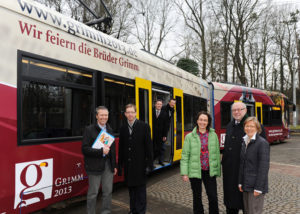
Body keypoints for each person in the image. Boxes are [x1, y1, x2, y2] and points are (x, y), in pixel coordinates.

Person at [222, 102, 266, 214]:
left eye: (240, 109)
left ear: (245, 110)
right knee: (230, 204)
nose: (237, 112)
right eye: (234, 110)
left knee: (248, 206)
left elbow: (262, 156)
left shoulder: (255, 126)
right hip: (230, 173)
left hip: (246, 174)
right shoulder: (229, 126)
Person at [180, 111, 221, 214]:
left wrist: (217, 169)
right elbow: (185, 155)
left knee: (213, 196)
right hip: (195, 170)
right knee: (197, 197)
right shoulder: (189, 137)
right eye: (201, 119)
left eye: (205, 120)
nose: (203, 122)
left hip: (209, 170)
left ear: (208, 122)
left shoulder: (214, 135)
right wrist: (185, 173)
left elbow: (216, 153)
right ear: (197, 121)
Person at [118, 104, 153, 214]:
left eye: (132, 112)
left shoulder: (144, 126)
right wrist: (120, 165)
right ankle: (133, 210)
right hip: (128, 166)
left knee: (140, 192)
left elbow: (149, 147)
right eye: (128, 112)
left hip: (140, 165)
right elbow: (121, 148)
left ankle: (140, 211)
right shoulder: (123, 128)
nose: (130, 114)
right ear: (125, 114)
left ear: (136, 113)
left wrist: (149, 165)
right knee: (131, 190)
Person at [82, 106, 117, 214]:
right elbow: (84, 149)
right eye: (101, 115)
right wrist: (101, 151)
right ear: (97, 116)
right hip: (94, 165)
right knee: (93, 193)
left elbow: (112, 150)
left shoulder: (110, 129)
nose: (104, 117)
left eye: (106, 115)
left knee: (108, 191)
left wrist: (114, 165)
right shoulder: (89, 129)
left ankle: (106, 211)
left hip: (108, 166)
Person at [238, 117, 270, 214]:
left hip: (255, 186)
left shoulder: (262, 143)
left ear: (257, 128)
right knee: (247, 211)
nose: (249, 128)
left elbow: (263, 168)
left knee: (254, 211)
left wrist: (259, 188)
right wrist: (240, 182)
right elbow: (242, 164)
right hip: (246, 184)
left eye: (252, 126)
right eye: (247, 126)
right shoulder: (244, 141)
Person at [152, 99, 168, 166]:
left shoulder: (164, 113)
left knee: (161, 149)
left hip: (161, 135)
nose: (159, 105)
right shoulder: (151, 112)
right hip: (153, 134)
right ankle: (151, 162)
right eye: (158, 104)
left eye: (160, 104)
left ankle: (160, 161)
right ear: (155, 105)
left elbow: (166, 125)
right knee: (153, 149)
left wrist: (165, 135)